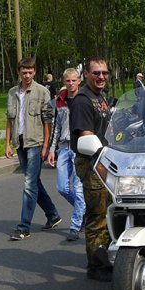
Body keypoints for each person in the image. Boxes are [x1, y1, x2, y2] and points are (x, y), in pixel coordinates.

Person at [5, 57, 61, 241]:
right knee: (34, 182)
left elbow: (48, 121)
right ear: (18, 72)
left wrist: (46, 146)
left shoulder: (42, 91)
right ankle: (53, 215)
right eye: (24, 72)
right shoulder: (12, 92)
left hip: (35, 143)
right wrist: (7, 144)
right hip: (19, 142)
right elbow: (9, 119)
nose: (27, 75)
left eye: (30, 72)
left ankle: (24, 227)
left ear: (35, 72)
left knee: (29, 184)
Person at [69, 56, 113, 282]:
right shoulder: (83, 100)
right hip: (92, 163)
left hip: (106, 163)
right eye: (96, 73)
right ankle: (95, 265)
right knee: (97, 215)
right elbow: (86, 137)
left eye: (104, 72)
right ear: (86, 74)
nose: (101, 76)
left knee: (110, 212)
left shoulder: (100, 97)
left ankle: (108, 256)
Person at [47, 68, 86, 241]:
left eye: (73, 80)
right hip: (63, 147)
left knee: (78, 189)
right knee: (62, 187)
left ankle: (75, 226)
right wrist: (51, 150)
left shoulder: (84, 99)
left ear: (79, 81)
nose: (70, 84)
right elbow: (56, 127)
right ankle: (82, 209)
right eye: (67, 81)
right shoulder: (59, 101)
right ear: (64, 82)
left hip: (80, 148)